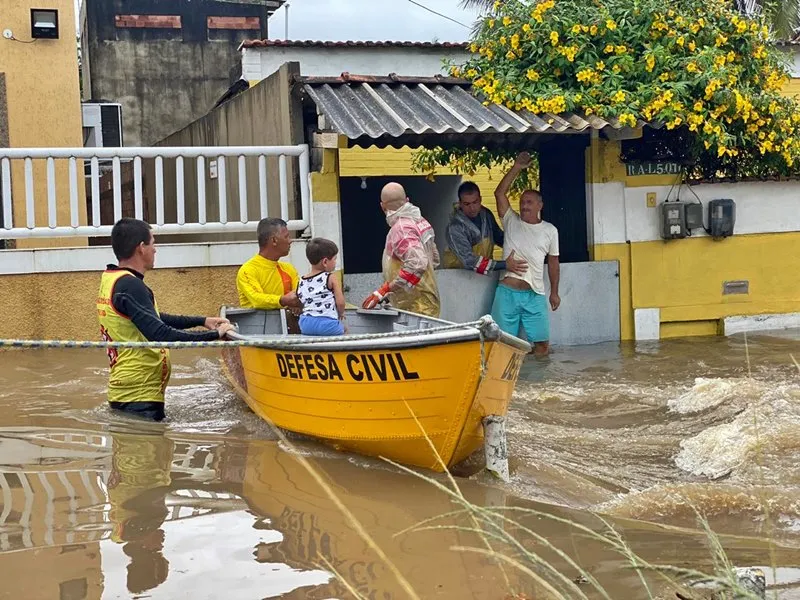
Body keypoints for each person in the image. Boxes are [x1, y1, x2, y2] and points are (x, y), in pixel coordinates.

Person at [97, 218, 234, 422]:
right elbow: (160, 334)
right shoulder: (130, 286)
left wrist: (202, 320)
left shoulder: (112, 279)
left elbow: (154, 319)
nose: (155, 249)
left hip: (128, 393)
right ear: (141, 248)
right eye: (153, 243)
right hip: (139, 397)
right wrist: (214, 335)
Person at [492, 152, 560, 356]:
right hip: (507, 294)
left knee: (542, 346)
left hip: (535, 294)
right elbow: (499, 194)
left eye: (529, 202)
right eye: (522, 202)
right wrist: (516, 167)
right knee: (501, 345)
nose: (524, 205)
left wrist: (554, 292)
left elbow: (554, 263)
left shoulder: (550, 230)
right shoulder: (511, 221)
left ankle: (536, 384)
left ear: (540, 206)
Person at [361, 182, 441, 317]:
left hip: (416, 306)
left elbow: (417, 263)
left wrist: (387, 289)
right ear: (407, 200)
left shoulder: (402, 230)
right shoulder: (420, 221)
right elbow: (435, 259)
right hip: (427, 299)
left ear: (382, 206)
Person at [443, 181, 528, 277]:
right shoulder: (455, 228)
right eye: (467, 204)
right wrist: (504, 264)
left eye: (475, 202)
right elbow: (470, 261)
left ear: (480, 199)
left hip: (484, 274)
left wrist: (523, 246)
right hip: (457, 277)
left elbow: (499, 237)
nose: (472, 208)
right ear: (460, 204)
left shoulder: (486, 215)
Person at [236, 217, 303, 311]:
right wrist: (282, 300)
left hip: (287, 324)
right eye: (286, 236)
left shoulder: (289, 269)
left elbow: (299, 295)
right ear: (274, 241)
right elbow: (257, 300)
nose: (290, 241)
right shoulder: (247, 270)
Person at [297, 237, 346, 336]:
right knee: (345, 330)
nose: (335, 262)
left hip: (306, 324)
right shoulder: (330, 277)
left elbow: (301, 301)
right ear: (325, 262)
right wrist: (340, 313)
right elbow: (340, 302)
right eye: (334, 259)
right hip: (328, 324)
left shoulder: (301, 280)